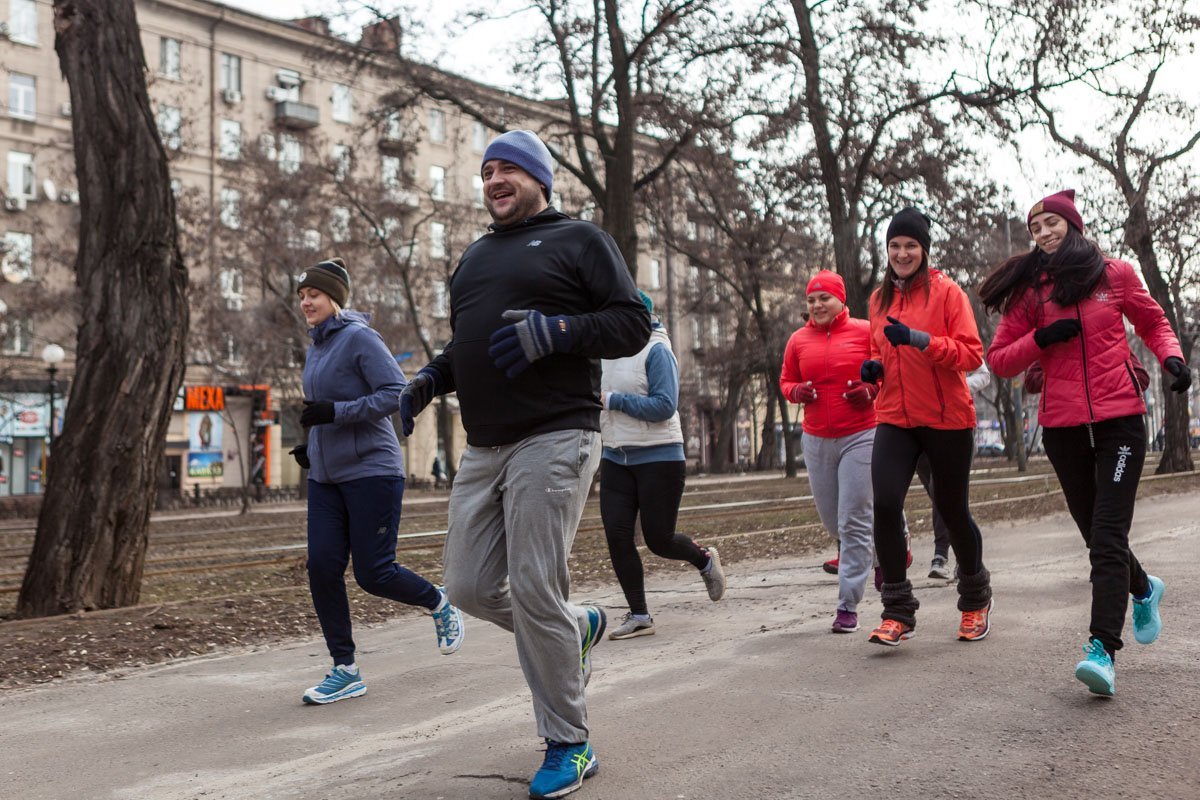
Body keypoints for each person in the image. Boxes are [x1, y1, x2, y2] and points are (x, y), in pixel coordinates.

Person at [398, 130, 650, 800]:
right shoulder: (474, 257)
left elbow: (631, 322)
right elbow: (468, 346)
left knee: (536, 586)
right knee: (469, 587)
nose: (494, 180)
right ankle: (577, 626)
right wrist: (427, 382)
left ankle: (570, 742)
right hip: (485, 446)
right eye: (486, 171)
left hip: (556, 434)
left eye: (508, 168)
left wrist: (558, 331)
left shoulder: (580, 240)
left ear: (540, 178)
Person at [981, 189, 1188, 696]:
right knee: (1097, 536)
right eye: (1035, 228)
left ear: (1072, 225)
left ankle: (1102, 650)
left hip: (1121, 421)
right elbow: (999, 359)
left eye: (1051, 223)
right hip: (1063, 426)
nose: (1044, 233)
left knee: (1108, 536)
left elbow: (1152, 320)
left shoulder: (1115, 274)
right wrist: (1040, 340)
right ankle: (1144, 588)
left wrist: (1172, 357)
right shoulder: (1032, 293)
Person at [290, 257, 464, 706]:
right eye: (302, 295)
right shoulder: (316, 345)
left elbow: (393, 394)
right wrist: (313, 446)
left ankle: (438, 601)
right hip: (326, 477)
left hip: (372, 470)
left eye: (314, 294)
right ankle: (345, 669)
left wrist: (335, 414)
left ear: (335, 299)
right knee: (322, 567)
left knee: (374, 573)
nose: (306, 301)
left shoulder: (360, 337)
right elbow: (322, 409)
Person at [860, 207, 993, 646]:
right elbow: (879, 349)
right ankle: (897, 611)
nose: (902, 253)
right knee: (884, 505)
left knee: (952, 512)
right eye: (895, 246)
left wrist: (921, 341)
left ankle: (975, 599)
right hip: (895, 417)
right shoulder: (878, 300)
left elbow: (971, 354)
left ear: (924, 249)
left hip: (945, 418)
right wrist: (873, 369)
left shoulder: (948, 293)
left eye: (910, 246)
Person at [600, 290, 726, 641]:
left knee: (659, 539)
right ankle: (640, 615)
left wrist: (613, 400)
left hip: (659, 457)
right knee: (617, 536)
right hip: (615, 456)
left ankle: (703, 560)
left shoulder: (657, 350)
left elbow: (664, 405)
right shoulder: (604, 353)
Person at [780, 270, 878, 633]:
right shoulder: (797, 340)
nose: (817, 305)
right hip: (816, 438)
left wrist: (871, 390)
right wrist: (796, 392)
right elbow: (786, 380)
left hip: (861, 434)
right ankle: (887, 546)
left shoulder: (865, 331)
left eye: (824, 298)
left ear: (841, 299)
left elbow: (886, 372)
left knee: (853, 520)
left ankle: (847, 605)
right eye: (811, 300)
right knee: (833, 522)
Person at [918, 363, 992, 580]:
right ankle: (967, 556)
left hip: (954, 425)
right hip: (916, 426)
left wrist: (955, 386)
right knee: (945, 499)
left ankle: (941, 555)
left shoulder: (956, 341)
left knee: (942, 492)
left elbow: (984, 375)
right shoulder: (905, 344)